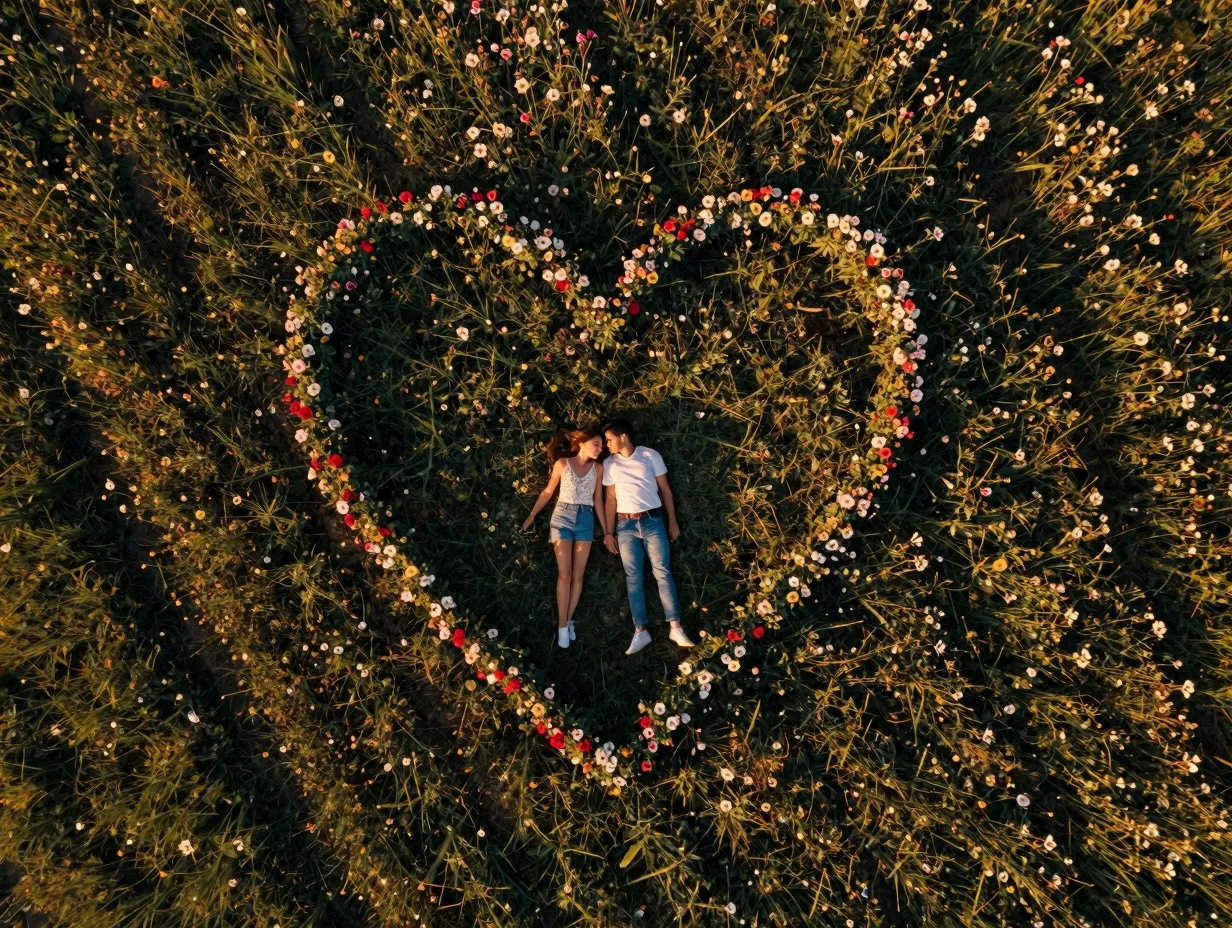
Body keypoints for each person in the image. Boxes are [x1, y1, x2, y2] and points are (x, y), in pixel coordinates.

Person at [601, 418, 696, 655]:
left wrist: (672, 520)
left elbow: (665, 489)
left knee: (662, 571)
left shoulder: (649, 455)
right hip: (625, 525)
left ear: (623, 436)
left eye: (609, 440)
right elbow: (610, 499)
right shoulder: (609, 464)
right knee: (633, 578)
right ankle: (640, 631)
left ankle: (675, 626)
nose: (607, 445)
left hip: (653, 521)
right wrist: (608, 532)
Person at [521, 427, 608, 648]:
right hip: (562, 517)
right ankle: (561, 626)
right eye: (597, 443)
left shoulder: (598, 469)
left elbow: (598, 500)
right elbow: (549, 491)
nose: (601, 448)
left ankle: (567, 621)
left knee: (578, 575)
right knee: (565, 574)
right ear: (582, 443)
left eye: (602, 445)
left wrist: (607, 531)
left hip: (586, 519)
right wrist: (533, 514)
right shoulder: (562, 464)